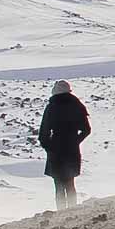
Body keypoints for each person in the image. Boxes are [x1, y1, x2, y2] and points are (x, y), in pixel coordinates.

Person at [39, 80, 91, 209]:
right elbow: (86, 129)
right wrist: (75, 141)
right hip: (72, 150)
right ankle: (72, 210)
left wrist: (49, 147)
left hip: (56, 150)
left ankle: (61, 212)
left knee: (59, 185)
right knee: (70, 183)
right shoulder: (77, 105)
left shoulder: (52, 106)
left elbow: (43, 133)